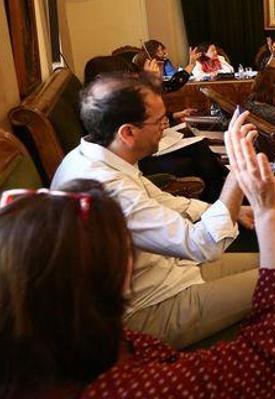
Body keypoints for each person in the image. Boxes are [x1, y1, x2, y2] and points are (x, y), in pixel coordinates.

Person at [0, 111, 275, 397]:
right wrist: (267, 206)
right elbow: (268, 357)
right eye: (123, 249)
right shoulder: (133, 386)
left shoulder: (54, 352)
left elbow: (171, 207)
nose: (133, 255)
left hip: (176, 277)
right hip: (172, 294)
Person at [50, 74, 257, 348]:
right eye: (159, 121)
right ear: (127, 132)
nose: (166, 126)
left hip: (170, 272)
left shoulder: (95, 153)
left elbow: (160, 201)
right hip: (149, 309)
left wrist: (229, 209)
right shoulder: (107, 187)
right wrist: (237, 174)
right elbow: (202, 245)